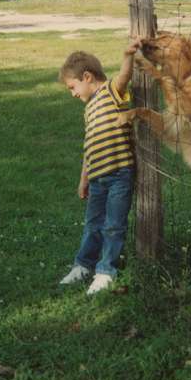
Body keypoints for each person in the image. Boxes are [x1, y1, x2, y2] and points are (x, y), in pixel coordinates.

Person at [58, 39, 141, 294]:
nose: (73, 94)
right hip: (97, 178)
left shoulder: (109, 92)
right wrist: (84, 179)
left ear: (87, 77)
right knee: (92, 223)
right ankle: (83, 265)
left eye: (73, 87)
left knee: (114, 224)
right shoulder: (89, 109)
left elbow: (124, 77)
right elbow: (89, 147)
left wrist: (127, 54)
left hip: (119, 174)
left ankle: (106, 271)